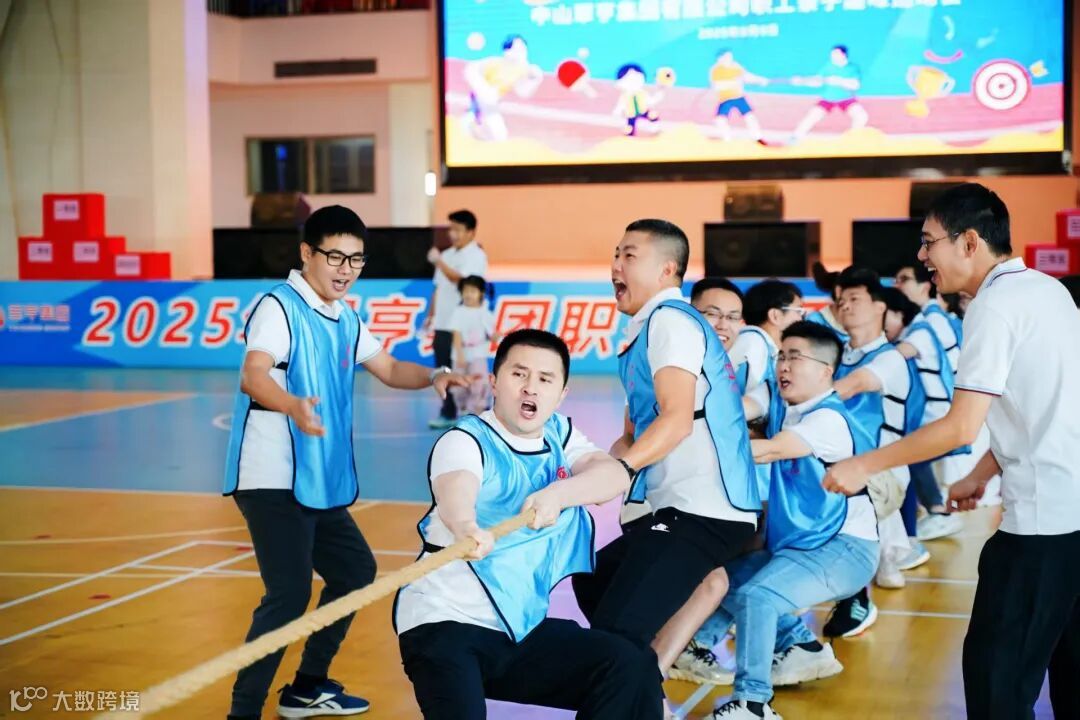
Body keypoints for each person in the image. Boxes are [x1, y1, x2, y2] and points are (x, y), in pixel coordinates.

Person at [823, 183, 1080, 720]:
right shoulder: (1048, 290)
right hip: (1071, 521)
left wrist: (862, 465)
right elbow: (1045, 408)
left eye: (928, 241)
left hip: (1041, 533)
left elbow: (961, 427)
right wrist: (984, 471)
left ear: (969, 242)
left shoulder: (994, 305)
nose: (922, 255)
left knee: (996, 689)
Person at [223, 205, 467, 720]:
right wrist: (291, 405)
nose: (345, 269)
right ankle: (243, 711)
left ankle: (307, 686)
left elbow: (389, 368)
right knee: (288, 595)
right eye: (334, 256)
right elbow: (254, 374)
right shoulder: (279, 307)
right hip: (271, 475)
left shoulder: (345, 318)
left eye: (356, 259)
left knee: (354, 571)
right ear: (306, 253)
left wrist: (435, 375)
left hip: (316, 478)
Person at [395, 329, 663, 720]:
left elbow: (614, 476)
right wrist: (467, 527)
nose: (530, 388)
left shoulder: (560, 434)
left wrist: (559, 494)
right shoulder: (465, 440)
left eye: (544, 378)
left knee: (628, 666)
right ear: (494, 381)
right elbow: (455, 494)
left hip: (518, 629)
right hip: (444, 624)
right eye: (519, 374)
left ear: (561, 393)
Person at [572, 219, 760, 681]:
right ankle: (646, 683)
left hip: (702, 508)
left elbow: (676, 421)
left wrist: (621, 468)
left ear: (667, 270)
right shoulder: (643, 332)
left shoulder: (671, 320)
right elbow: (633, 435)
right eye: (615, 254)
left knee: (615, 636)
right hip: (672, 505)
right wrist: (590, 471)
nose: (616, 265)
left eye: (629, 255)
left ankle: (635, 684)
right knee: (594, 578)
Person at [705, 322, 879, 720]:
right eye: (781, 356)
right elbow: (742, 408)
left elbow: (768, 451)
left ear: (825, 371)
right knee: (721, 580)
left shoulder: (828, 419)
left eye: (795, 357)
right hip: (801, 544)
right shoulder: (783, 402)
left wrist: (692, 441)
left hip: (844, 548)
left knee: (758, 596)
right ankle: (803, 647)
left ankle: (752, 704)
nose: (783, 365)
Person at [824, 267, 922, 637]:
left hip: (881, 472)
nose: (845, 306)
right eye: (841, 300)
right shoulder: (836, 353)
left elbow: (853, 386)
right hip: (846, 468)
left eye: (855, 299)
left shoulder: (889, 358)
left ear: (880, 307)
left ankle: (856, 597)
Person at [425, 209, 489, 429]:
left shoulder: (476, 256)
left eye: (458, 230)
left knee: (468, 372)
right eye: (451, 229)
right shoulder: (447, 254)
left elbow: (462, 281)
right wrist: (431, 315)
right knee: (443, 369)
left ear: (471, 232)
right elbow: (439, 288)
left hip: (463, 326)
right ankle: (448, 411)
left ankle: (475, 414)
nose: (452, 234)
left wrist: (438, 262)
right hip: (442, 322)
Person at [463, 35, 543, 141]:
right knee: (468, 127)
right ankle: (473, 120)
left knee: (499, 136)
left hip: (491, 105)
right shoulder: (495, 63)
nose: (520, 53)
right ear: (507, 51)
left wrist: (535, 80)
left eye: (523, 49)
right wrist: (483, 88)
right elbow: (471, 70)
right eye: (516, 49)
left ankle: (477, 126)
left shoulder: (524, 70)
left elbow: (522, 92)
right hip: (481, 99)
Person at [788, 45, 868, 144]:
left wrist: (838, 81)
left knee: (861, 116)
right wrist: (802, 81)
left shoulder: (853, 68)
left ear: (843, 55)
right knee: (812, 116)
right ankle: (795, 137)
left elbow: (855, 85)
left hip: (846, 99)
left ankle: (853, 139)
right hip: (828, 99)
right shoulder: (828, 66)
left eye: (836, 54)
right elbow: (817, 81)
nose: (833, 56)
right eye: (832, 54)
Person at [449, 275, 498, 415]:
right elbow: (456, 334)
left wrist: (496, 337)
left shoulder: (485, 313)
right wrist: (460, 354)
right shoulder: (458, 312)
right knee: (459, 385)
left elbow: (491, 335)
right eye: (465, 291)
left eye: (472, 291)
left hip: (478, 354)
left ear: (481, 293)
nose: (468, 294)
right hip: (460, 354)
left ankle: (476, 411)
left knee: (479, 383)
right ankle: (463, 409)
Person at [708, 50, 769, 144]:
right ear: (720, 58)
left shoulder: (736, 66)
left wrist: (760, 80)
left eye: (730, 57)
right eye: (727, 57)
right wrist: (734, 82)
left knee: (750, 117)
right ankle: (727, 138)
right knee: (720, 119)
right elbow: (717, 86)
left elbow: (746, 76)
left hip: (739, 97)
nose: (729, 59)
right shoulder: (716, 70)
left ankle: (757, 137)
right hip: (725, 99)